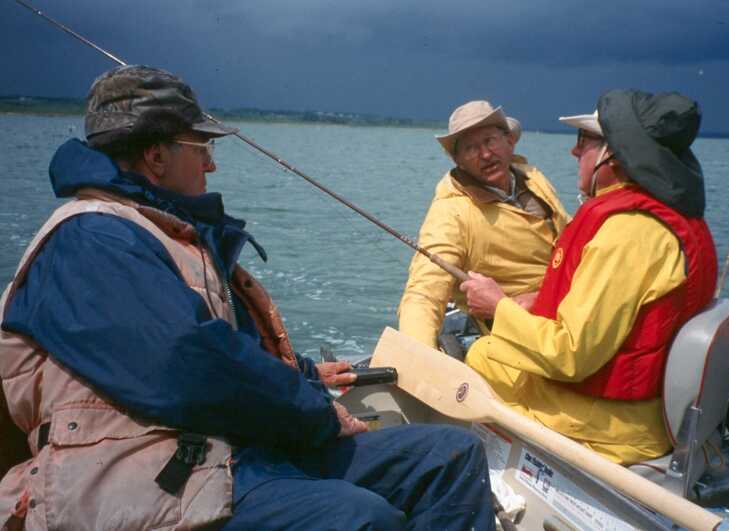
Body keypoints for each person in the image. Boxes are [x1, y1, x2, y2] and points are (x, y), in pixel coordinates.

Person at [0, 65, 495, 530]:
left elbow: (219, 344)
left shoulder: (158, 230)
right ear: (156, 157)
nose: (211, 164)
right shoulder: (91, 239)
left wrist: (300, 374)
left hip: (231, 450)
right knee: (359, 518)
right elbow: (188, 365)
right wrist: (314, 410)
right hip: (150, 472)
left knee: (450, 457)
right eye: (200, 148)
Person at [460, 90, 718, 465]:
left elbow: (570, 356)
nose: (574, 152)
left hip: (614, 428)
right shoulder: (674, 213)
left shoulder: (627, 233)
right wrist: (537, 302)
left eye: (583, 141)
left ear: (614, 153)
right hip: (644, 408)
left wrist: (497, 306)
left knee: (482, 355)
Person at [398, 100, 569, 349]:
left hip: (570, 305)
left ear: (508, 141)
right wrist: (418, 358)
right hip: (522, 336)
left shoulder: (532, 177)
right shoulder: (451, 212)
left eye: (490, 141)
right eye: (470, 149)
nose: (486, 154)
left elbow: (571, 235)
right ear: (458, 161)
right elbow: (424, 293)